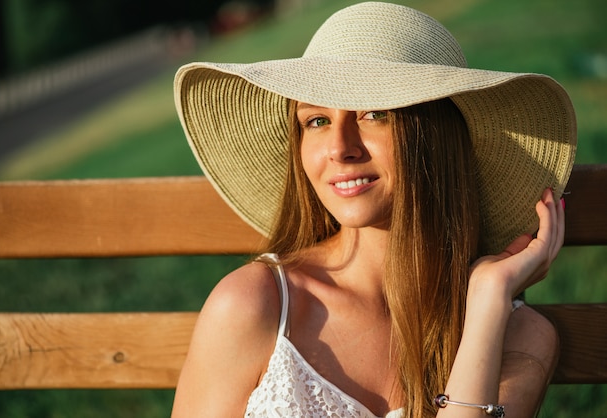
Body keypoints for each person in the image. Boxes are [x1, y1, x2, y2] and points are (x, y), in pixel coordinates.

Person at [170, 2, 576, 417]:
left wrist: (488, 300)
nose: (339, 149)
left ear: (436, 136)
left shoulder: (518, 335)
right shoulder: (253, 306)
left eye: (375, 114)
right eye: (316, 121)